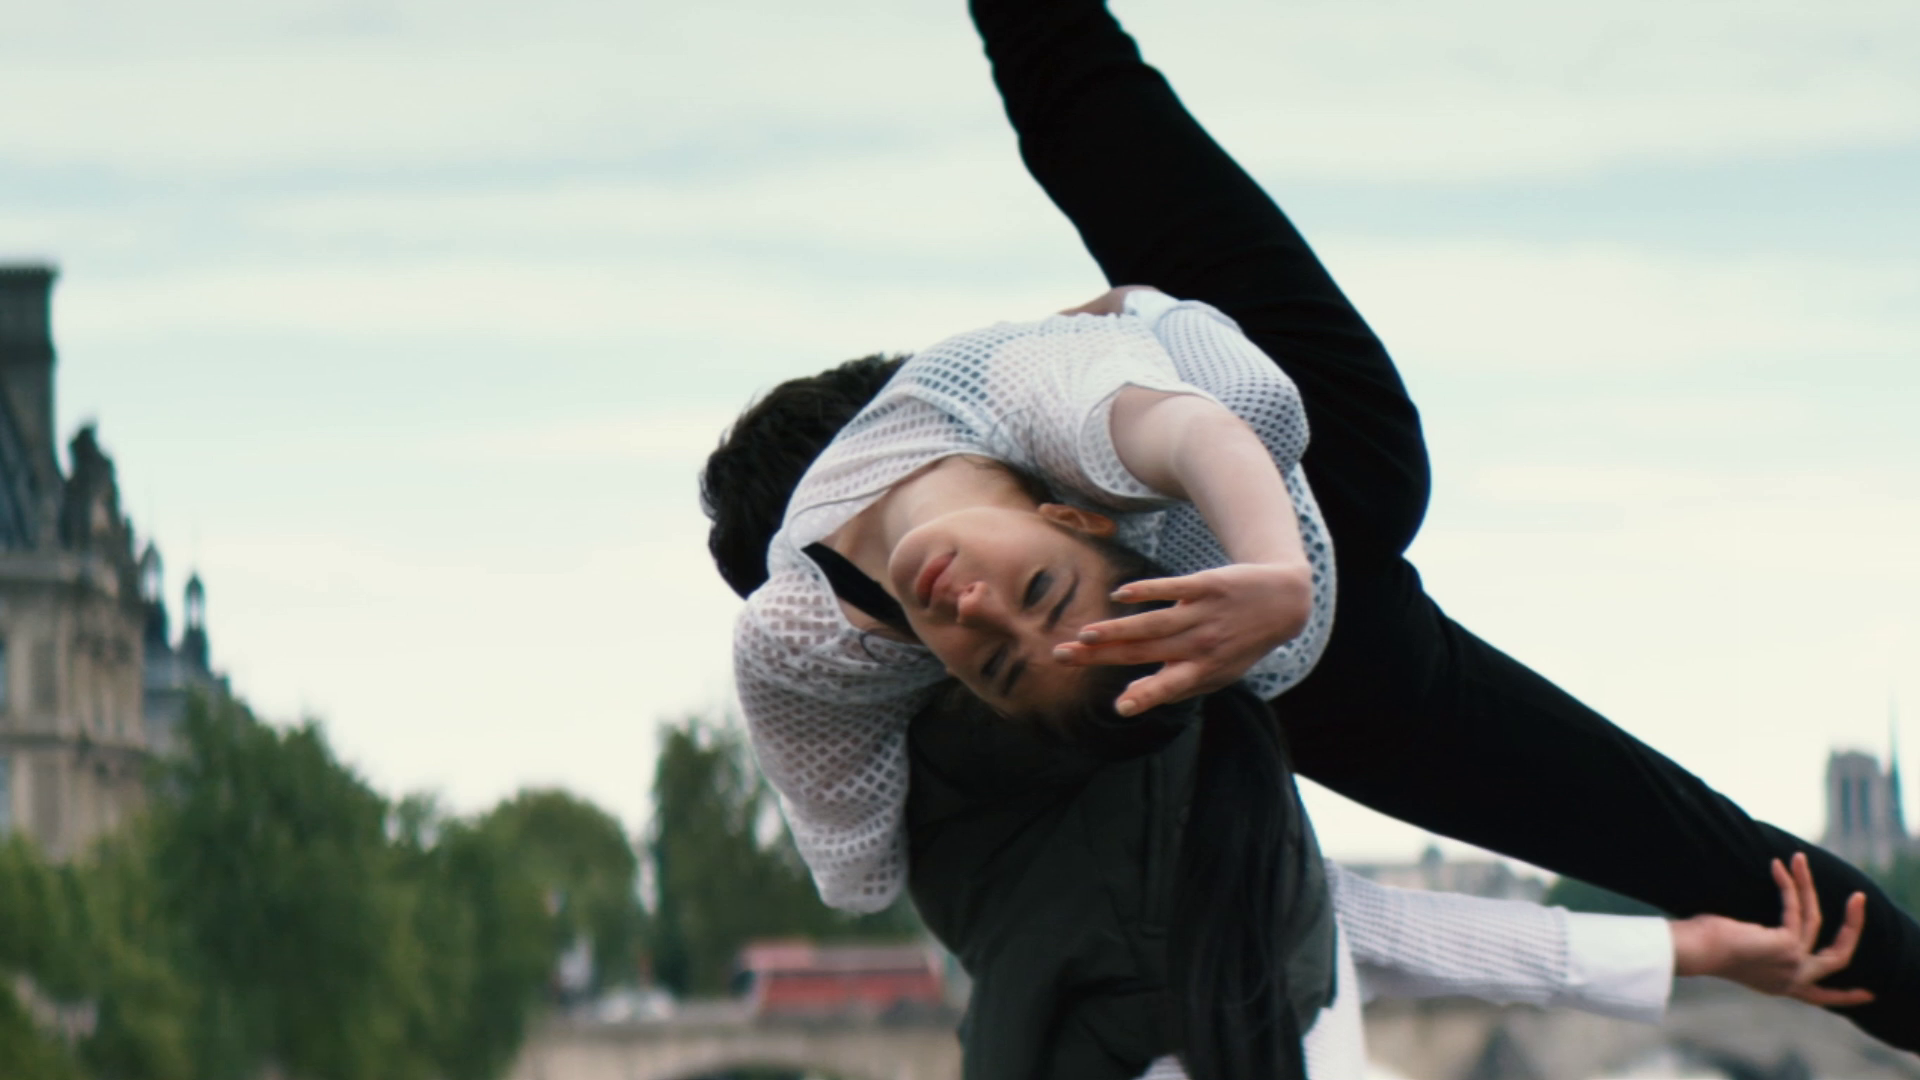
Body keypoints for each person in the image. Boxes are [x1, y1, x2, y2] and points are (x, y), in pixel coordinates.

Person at [701, 0, 1920, 1067]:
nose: (961, 599)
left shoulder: (1015, 422)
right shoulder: (928, 558)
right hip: (1306, 587)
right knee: (1078, 96)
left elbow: (862, 853)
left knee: (1700, 850)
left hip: (1280, 506)